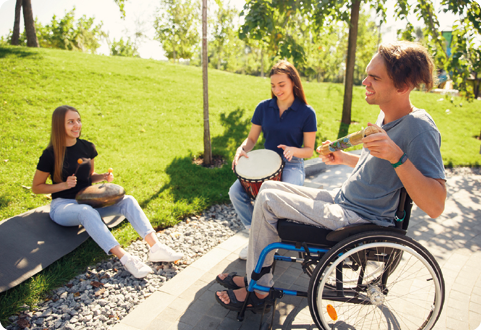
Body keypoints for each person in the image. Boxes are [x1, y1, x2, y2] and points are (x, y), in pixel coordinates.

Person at [215, 41, 447, 311]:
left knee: (266, 202)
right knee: (267, 188)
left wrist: (398, 157)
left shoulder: (419, 128)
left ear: (402, 86)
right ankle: (255, 278)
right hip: (343, 201)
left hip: (359, 217)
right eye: (367, 74)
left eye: (374, 77)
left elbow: (435, 205)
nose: (365, 81)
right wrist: (344, 158)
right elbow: (380, 169)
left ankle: (259, 289)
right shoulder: (386, 115)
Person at [32, 105, 183, 279]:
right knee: (85, 211)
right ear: (59, 125)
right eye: (70, 122)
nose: (77, 125)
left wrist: (102, 177)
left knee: (128, 200)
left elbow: (88, 178)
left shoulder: (87, 147)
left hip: (88, 200)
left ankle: (156, 248)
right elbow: (37, 187)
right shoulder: (50, 154)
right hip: (63, 206)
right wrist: (63, 186)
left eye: (79, 120)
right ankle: (126, 259)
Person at [229, 60, 317, 259]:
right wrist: (241, 149)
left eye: (281, 84)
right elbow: (252, 139)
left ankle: (273, 239)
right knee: (235, 192)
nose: (277, 90)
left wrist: (294, 150)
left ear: (293, 82)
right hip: (266, 163)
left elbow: (309, 150)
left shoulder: (306, 112)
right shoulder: (263, 108)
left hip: (292, 163)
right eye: (273, 85)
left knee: (282, 200)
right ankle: (257, 237)